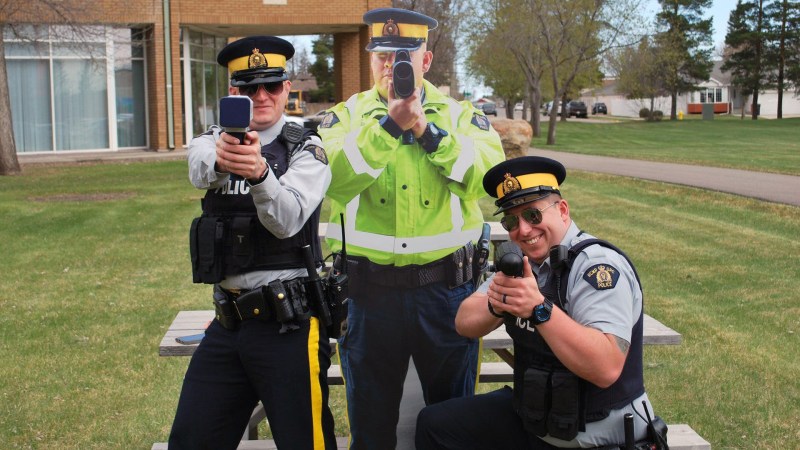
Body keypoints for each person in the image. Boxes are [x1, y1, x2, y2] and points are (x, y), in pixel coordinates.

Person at [317, 7, 505, 449]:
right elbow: (332, 180)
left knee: (450, 422)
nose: (391, 65)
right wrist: (388, 128)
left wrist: (423, 127)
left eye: (404, 55)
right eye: (382, 55)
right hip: (366, 295)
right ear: (370, 60)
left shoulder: (461, 117)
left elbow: (490, 179)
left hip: (446, 293)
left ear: (425, 61)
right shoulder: (344, 118)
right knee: (371, 426)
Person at [415, 156, 657, 449]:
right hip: (537, 420)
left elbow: (605, 367)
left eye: (532, 215)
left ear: (563, 210)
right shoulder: (525, 265)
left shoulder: (596, 267)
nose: (523, 230)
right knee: (436, 425)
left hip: (594, 436)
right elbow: (464, 322)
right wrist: (498, 303)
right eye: (511, 221)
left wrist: (539, 309)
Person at [169, 35, 337, 450]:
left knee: (307, 443)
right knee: (191, 440)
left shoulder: (307, 148)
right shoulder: (212, 141)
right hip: (226, 326)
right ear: (234, 93)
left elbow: (286, 221)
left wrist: (261, 175)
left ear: (286, 90)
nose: (261, 96)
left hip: (288, 326)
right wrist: (226, 157)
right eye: (248, 88)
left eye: (272, 85)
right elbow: (199, 170)